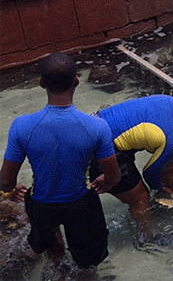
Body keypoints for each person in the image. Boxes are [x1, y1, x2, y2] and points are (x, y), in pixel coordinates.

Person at [0, 52, 121, 272]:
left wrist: (11, 190)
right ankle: (85, 275)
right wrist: (106, 181)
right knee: (88, 259)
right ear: (76, 81)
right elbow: (114, 176)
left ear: (41, 83)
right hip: (82, 203)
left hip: (42, 204)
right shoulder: (97, 127)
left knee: (49, 239)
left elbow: (6, 182)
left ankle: (60, 270)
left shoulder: (21, 126)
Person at [89, 82, 173, 243]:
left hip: (92, 127)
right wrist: (160, 187)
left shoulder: (167, 100)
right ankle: (149, 238)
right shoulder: (170, 140)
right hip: (103, 152)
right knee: (141, 197)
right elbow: (150, 172)